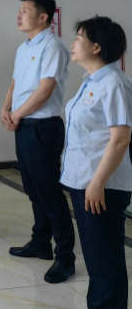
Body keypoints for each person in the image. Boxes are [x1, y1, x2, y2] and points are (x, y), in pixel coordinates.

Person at [1, 0, 75, 283]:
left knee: (49, 192)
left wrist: (17, 114)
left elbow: (45, 90)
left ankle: (65, 257)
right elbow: (16, 82)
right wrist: (6, 108)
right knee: (32, 188)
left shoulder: (53, 46)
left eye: (25, 11)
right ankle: (41, 242)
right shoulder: (24, 47)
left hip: (43, 126)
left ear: (43, 17)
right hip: (24, 124)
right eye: (19, 10)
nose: (19, 15)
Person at [61, 16, 132, 308]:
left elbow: (121, 139)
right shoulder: (91, 82)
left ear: (97, 47)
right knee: (96, 258)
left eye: (78, 38)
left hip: (102, 186)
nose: (73, 44)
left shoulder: (114, 83)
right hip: (84, 183)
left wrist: (97, 182)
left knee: (105, 261)